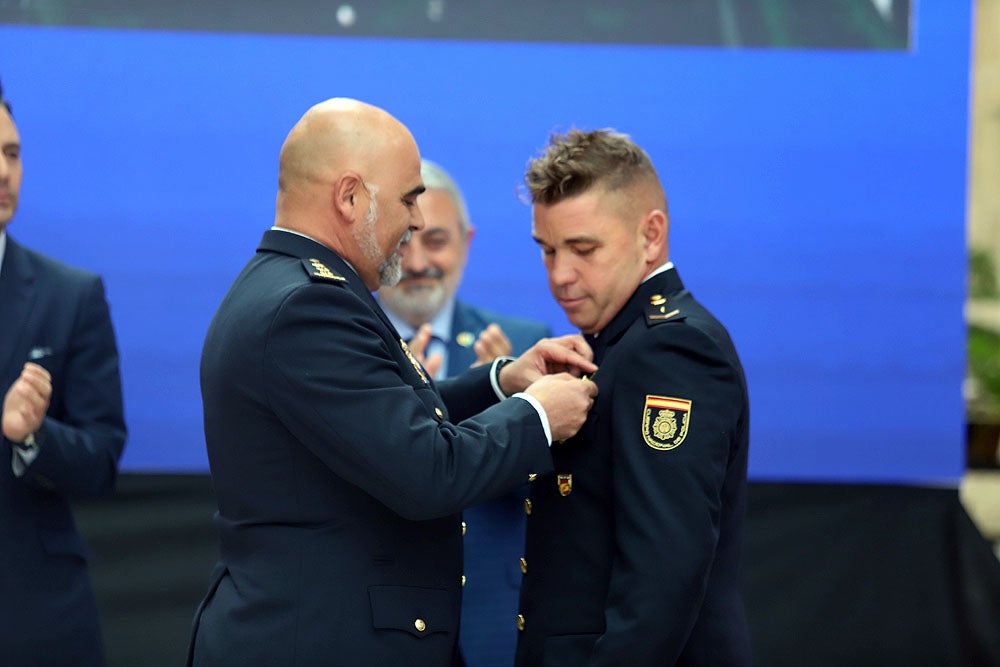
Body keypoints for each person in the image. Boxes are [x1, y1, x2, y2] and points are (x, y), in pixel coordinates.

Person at [187, 98, 598, 667]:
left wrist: (500, 381)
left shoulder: (296, 287)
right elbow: (426, 470)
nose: (413, 220)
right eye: (408, 200)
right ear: (350, 196)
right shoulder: (309, 307)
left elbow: (385, 421)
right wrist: (538, 415)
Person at [515, 128, 751, 666]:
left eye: (583, 249)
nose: (559, 275)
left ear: (651, 235)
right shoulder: (624, 342)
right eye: (547, 250)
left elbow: (662, 577)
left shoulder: (669, 349)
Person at [378, 159, 551, 666]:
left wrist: (502, 405)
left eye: (436, 240)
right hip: (381, 618)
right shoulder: (353, 351)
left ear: (467, 241)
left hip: (492, 620)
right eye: (405, 241)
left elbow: (549, 492)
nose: (417, 262)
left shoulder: (523, 346)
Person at [0, 80, 128, 666]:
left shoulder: (70, 295)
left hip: (34, 619)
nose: (4, 172)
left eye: (11, 153)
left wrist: (35, 436)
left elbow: (102, 458)